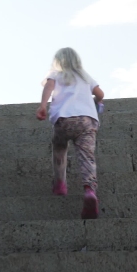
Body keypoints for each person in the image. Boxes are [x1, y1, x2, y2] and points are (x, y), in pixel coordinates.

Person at [35, 48, 104, 219]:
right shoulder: (84, 75)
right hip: (87, 121)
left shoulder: (55, 73)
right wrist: (97, 101)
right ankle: (89, 190)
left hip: (64, 120)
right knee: (87, 156)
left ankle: (60, 183)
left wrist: (43, 105)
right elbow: (100, 94)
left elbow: (49, 87)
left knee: (59, 148)